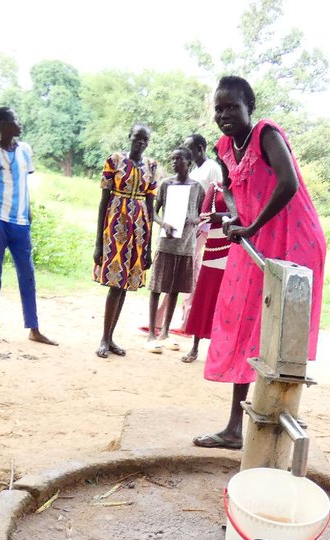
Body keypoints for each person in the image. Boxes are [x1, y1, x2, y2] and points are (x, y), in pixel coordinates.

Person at [192, 76, 326, 450]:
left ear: (249, 107)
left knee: (280, 333)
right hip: (254, 237)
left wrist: (251, 224)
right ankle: (235, 427)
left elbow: (288, 184)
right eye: (218, 108)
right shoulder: (223, 147)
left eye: (232, 106)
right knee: (241, 323)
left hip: (292, 239)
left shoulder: (267, 134)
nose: (224, 114)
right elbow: (231, 187)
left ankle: (276, 425)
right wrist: (236, 218)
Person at [0, 107, 57, 346]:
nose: (20, 123)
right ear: (3, 124)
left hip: (20, 224)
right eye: (15, 120)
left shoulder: (25, 150)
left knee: (27, 275)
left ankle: (34, 329)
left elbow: (23, 183)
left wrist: (28, 212)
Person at [93, 124, 159, 358]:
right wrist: (99, 242)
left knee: (124, 286)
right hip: (116, 227)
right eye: (137, 137)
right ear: (129, 137)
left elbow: (150, 206)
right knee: (114, 285)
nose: (140, 142)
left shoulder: (152, 166)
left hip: (139, 230)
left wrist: (149, 245)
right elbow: (104, 201)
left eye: (145, 139)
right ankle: (104, 338)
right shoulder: (115, 161)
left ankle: (110, 338)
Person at [146, 147, 205, 352]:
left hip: (186, 245)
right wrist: (163, 224)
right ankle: (152, 332)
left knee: (174, 289)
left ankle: (165, 332)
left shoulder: (197, 188)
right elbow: (153, 211)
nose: (174, 162)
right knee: (156, 287)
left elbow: (202, 215)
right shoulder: (166, 184)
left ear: (188, 162)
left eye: (178, 159)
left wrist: (193, 220)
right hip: (165, 243)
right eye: (172, 159)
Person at [180, 179, 229, 363]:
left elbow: (246, 214)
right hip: (215, 245)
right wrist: (227, 216)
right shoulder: (216, 186)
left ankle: (219, 351)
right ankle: (195, 347)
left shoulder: (244, 186)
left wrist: (222, 216)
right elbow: (206, 214)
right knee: (206, 293)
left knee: (226, 299)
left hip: (235, 247)